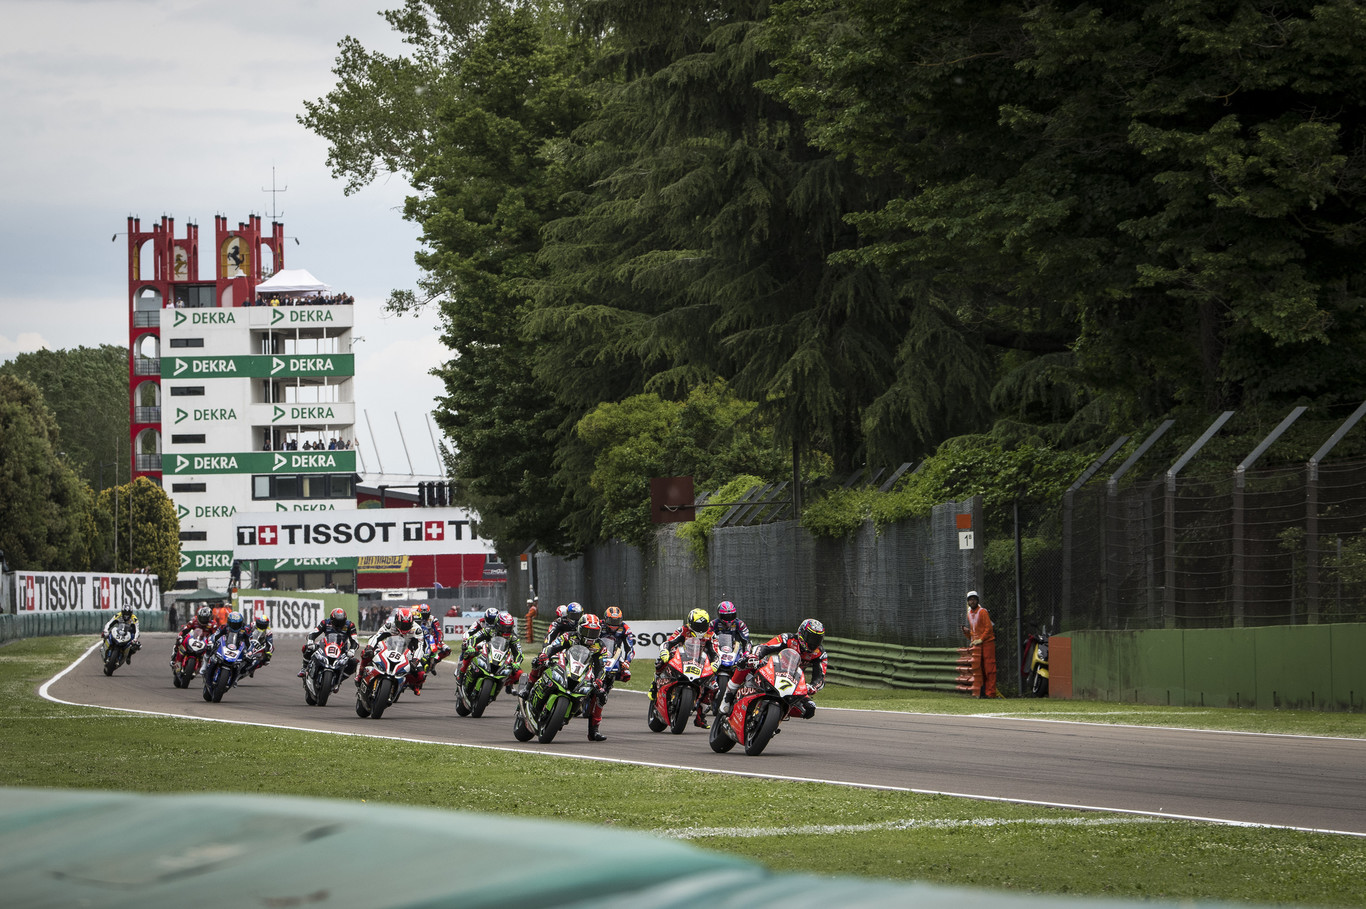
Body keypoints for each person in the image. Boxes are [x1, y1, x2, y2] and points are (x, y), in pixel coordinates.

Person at [523, 613, 609, 742]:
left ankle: (593, 731)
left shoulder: (600, 646)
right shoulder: (569, 636)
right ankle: (528, 687)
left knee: (601, 695)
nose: (590, 636)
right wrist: (544, 655)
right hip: (563, 664)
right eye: (587, 631)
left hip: (584, 672)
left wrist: (598, 681)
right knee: (538, 662)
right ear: (580, 629)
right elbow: (552, 647)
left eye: (594, 633)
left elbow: (602, 666)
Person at [719, 618, 827, 720]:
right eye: (812, 638)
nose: (814, 642)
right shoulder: (787, 638)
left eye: (818, 639)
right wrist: (755, 656)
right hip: (773, 670)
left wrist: (812, 687)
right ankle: (729, 694)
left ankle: (777, 717)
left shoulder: (820, 654)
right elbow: (765, 647)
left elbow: (820, 678)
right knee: (747, 662)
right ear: (802, 633)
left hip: (793, 682)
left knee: (810, 708)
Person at [655, 608, 717, 728]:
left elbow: (716, 652)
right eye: (697, 625)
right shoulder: (683, 630)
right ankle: (654, 686)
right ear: (690, 622)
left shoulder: (711, 634)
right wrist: (664, 651)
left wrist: (715, 663)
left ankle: (700, 717)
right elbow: (668, 643)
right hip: (680, 657)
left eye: (703, 625)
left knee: (714, 687)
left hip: (700, 662)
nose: (700, 628)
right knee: (660, 661)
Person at [357, 607, 427, 693]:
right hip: (388, 648)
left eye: (407, 625)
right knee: (365, 653)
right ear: (396, 620)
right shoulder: (390, 625)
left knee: (421, 675)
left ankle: (410, 683)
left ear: (412, 622)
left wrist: (416, 659)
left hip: (407, 652)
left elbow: (420, 646)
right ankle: (360, 675)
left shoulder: (417, 630)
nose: (404, 628)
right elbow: (377, 636)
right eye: (402, 624)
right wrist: (369, 647)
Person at [457, 610, 523, 694]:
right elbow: (474, 637)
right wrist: (470, 647)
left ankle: (505, 685)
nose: (506, 630)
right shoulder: (489, 630)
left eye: (509, 628)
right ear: (498, 625)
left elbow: (519, 652)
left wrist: (517, 663)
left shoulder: (513, 637)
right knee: (469, 653)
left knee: (519, 674)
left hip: (502, 658)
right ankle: (461, 675)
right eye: (504, 628)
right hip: (486, 652)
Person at [299, 608, 360, 679]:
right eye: (336, 622)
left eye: (341, 622)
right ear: (331, 619)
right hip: (325, 646)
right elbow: (314, 633)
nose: (339, 625)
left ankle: (339, 680)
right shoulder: (325, 622)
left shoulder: (350, 625)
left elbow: (354, 640)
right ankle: (304, 668)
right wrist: (310, 641)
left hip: (342, 649)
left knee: (354, 662)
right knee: (307, 648)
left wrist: (352, 650)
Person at [961, 591, 998, 698]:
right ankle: (982, 693)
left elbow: (988, 628)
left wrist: (981, 639)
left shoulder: (982, 612)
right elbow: (974, 631)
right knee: (979, 670)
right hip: (976, 645)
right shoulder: (969, 614)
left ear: (977, 600)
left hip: (987, 643)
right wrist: (967, 633)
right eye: (970, 599)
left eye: (974, 599)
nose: (972, 601)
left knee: (989, 668)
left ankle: (990, 694)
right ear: (968, 602)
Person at [172, 606, 217, 672]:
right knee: (179, 641)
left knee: (212, 651)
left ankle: (206, 667)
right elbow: (186, 629)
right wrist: (181, 635)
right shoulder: (194, 621)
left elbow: (215, 635)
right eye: (202, 618)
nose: (203, 620)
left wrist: (213, 642)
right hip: (192, 638)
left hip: (204, 641)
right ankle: (174, 657)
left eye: (205, 618)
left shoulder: (213, 624)